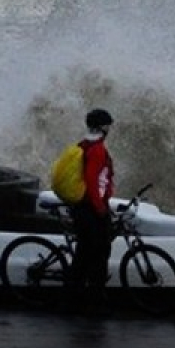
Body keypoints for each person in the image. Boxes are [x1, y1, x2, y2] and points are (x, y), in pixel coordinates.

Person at [69, 108, 116, 307]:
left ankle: (74, 296)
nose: (109, 129)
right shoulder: (97, 149)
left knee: (84, 252)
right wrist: (100, 208)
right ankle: (95, 298)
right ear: (102, 127)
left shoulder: (84, 144)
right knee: (99, 253)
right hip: (91, 209)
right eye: (108, 125)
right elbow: (92, 180)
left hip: (82, 207)